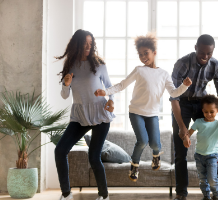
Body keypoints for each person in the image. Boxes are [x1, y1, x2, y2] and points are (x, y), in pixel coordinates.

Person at [94, 32, 192, 182]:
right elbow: (122, 84)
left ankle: (156, 155)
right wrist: (105, 92)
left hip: (152, 114)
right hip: (136, 112)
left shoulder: (164, 74)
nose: (143, 57)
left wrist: (184, 86)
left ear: (154, 52)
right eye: (140, 54)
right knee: (142, 140)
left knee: (154, 143)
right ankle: (134, 166)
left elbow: (173, 92)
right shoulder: (139, 70)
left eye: (146, 53)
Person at [170, 34, 218, 200]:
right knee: (180, 150)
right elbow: (174, 97)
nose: (205, 57)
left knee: (217, 148)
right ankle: (181, 193)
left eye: (209, 54)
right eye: (202, 53)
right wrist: (182, 127)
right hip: (182, 104)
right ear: (195, 48)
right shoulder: (182, 64)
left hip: (202, 104)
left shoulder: (217, 66)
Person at [55, 29, 114, 200]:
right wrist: (66, 84)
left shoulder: (99, 64)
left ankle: (104, 196)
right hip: (80, 116)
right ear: (77, 44)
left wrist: (111, 101)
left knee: (94, 157)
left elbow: (110, 88)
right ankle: (66, 194)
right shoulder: (70, 65)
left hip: (100, 114)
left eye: (90, 44)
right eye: (85, 44)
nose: (88, 47)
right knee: (60, 150)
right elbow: (65, 95)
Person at [183, 95, 218, 200]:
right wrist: (186, 138)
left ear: (217, 110)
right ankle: (206, 196)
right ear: (202, 110)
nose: (209, 114)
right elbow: (189, 133)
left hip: (212, 156)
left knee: (212, 178)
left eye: (211, 112)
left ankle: (216, 195)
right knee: (202, 179)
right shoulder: (198, 122)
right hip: (199, 156)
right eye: (206, 112)